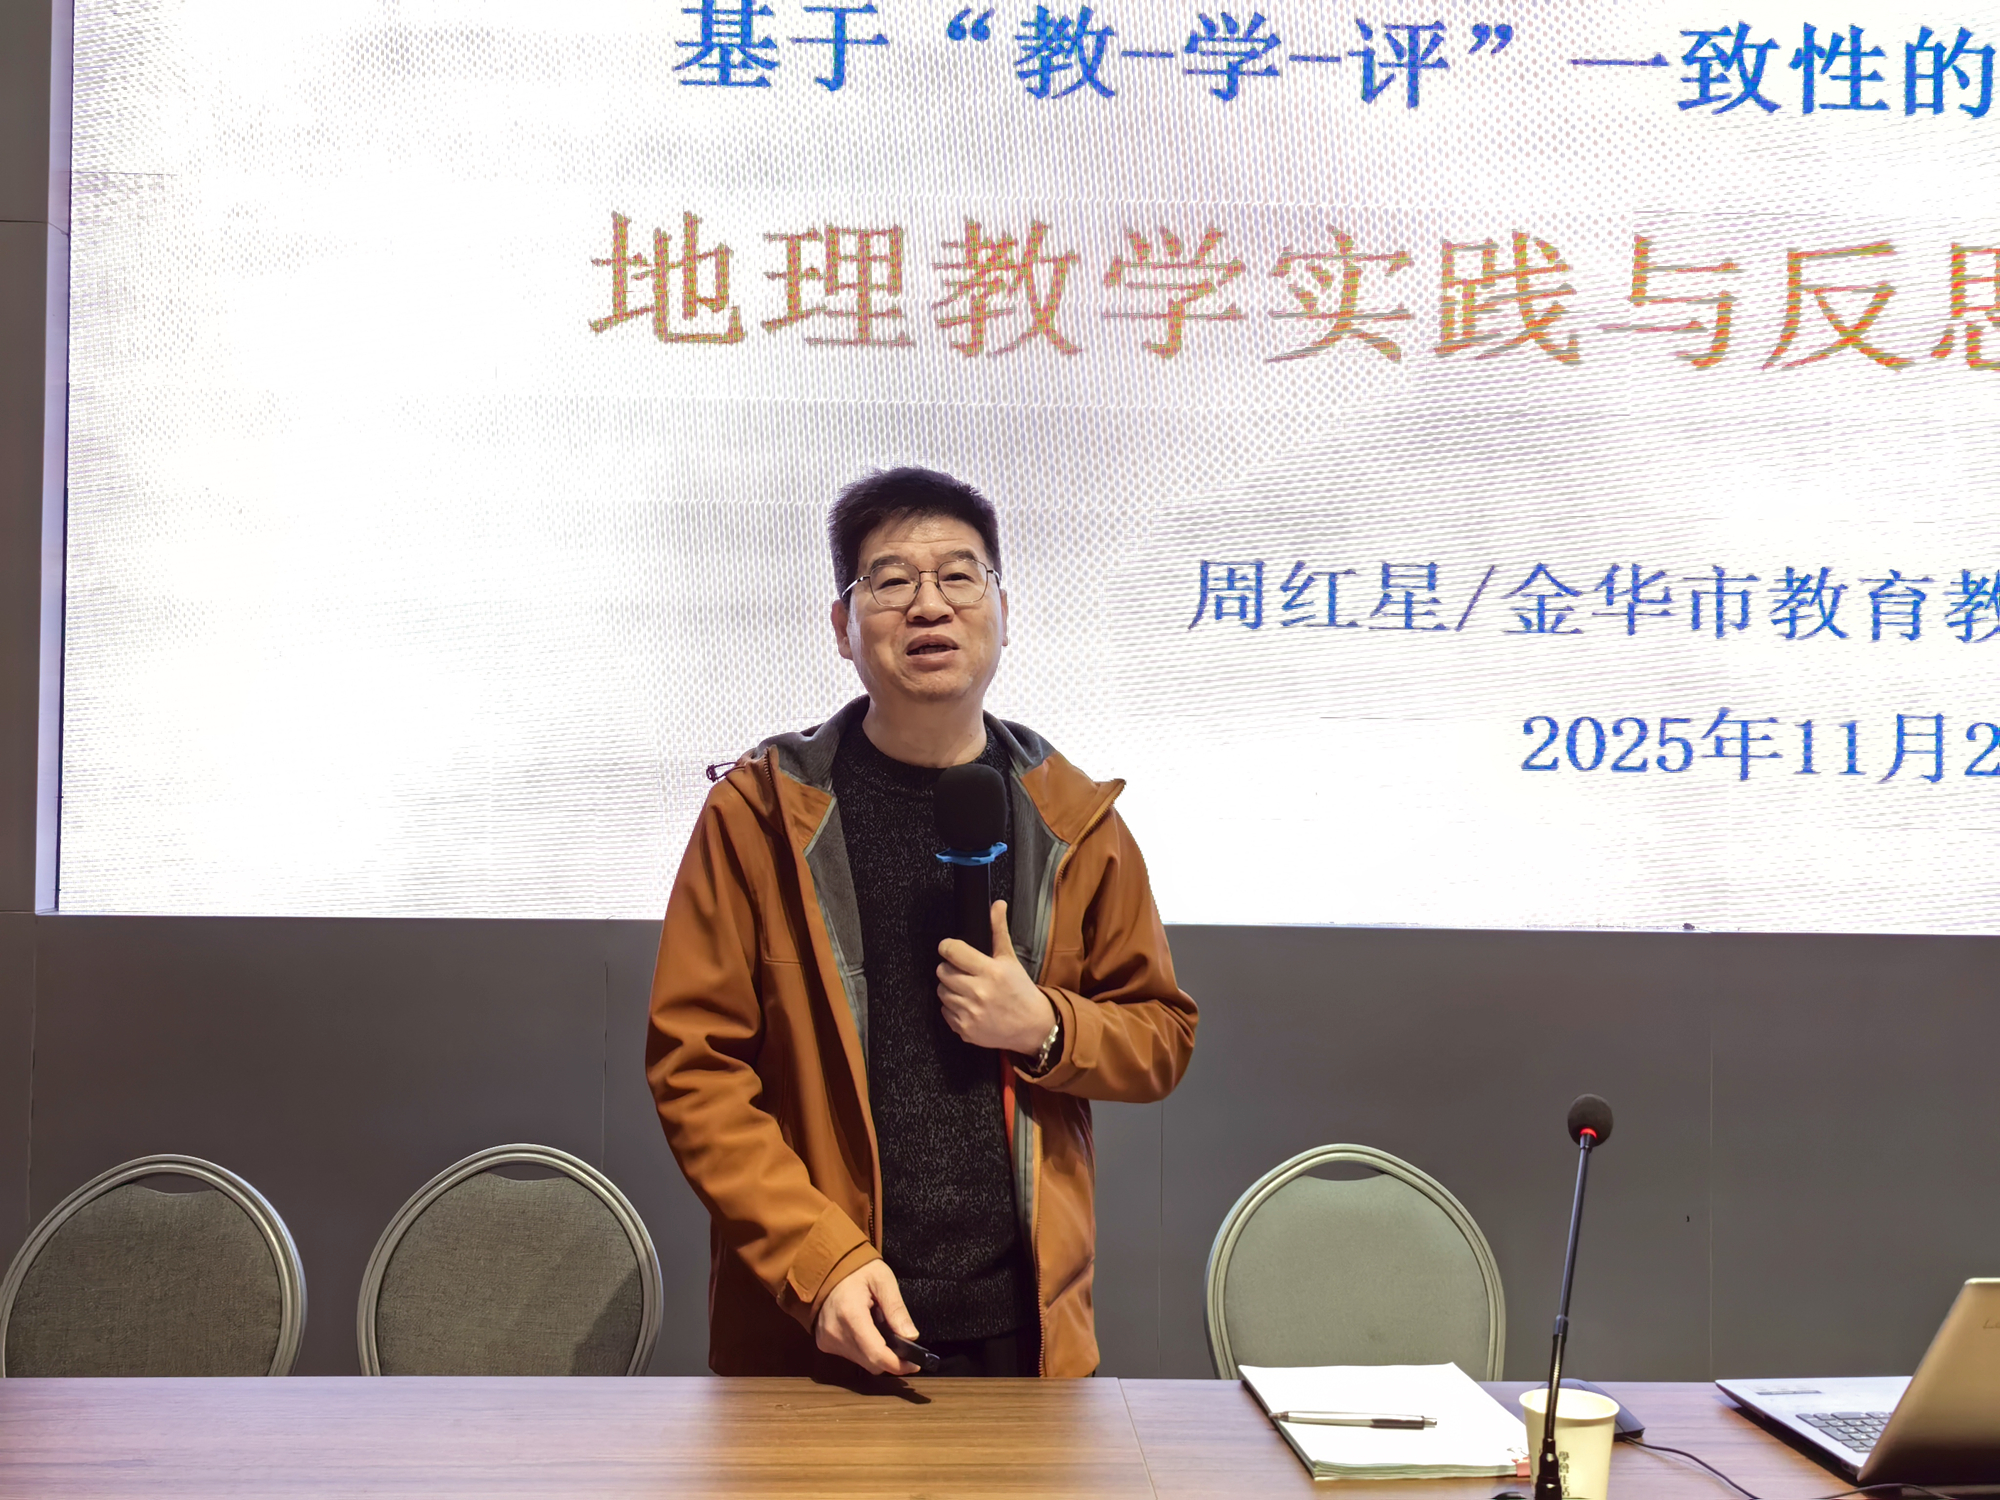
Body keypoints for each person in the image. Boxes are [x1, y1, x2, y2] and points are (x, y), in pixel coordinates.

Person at [645, 467, 1197, 1379]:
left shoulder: (1074, 820)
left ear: (1003, 611)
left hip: (1023, 1329)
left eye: (959, 576)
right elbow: (696, 1066)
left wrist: (1047, 1027)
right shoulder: (759, 814)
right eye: (892, 580)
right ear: (843, 626)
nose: (929, 605)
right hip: (817, 1322)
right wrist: (819, 1260)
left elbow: (1162, 1035)